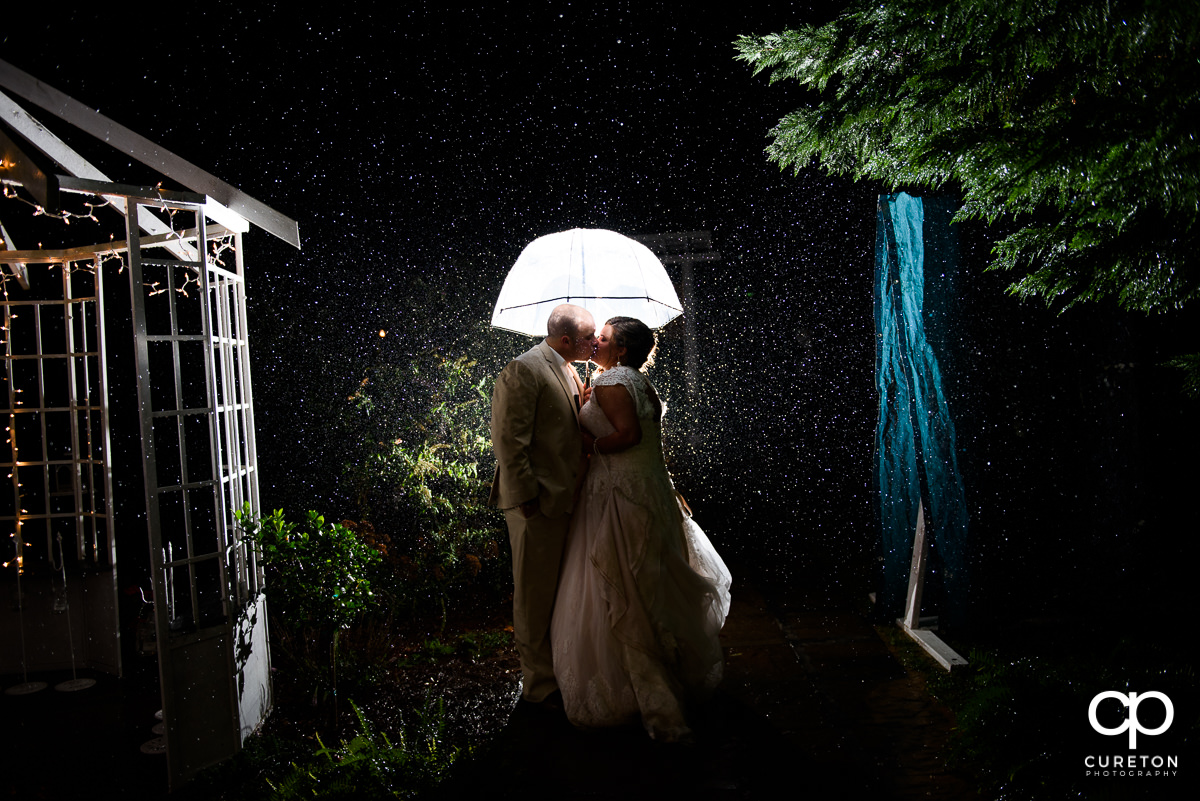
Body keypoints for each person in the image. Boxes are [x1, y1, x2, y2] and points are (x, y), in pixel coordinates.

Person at [550, 316, 731, 742]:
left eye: (605, 338)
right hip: (649, 489)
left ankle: (650, 698)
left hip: (620, 493)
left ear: (623, 349)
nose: (596, 341)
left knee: (623, 586)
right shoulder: (635, 382)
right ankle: (670, 676)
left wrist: (589, 444)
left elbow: (628, 435)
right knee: (649, 584)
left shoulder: (613, 383)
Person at [490, 303, 598, 706]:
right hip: (535, 505)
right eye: (589, 338)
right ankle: (539, 687)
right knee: (533, 596)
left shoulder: (570, 368)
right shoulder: (524, 369)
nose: (596, 342)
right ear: (567, 339)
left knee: (556, 593)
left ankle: (558, 671)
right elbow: (509, 443)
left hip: (564, 500)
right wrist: (526, 502)